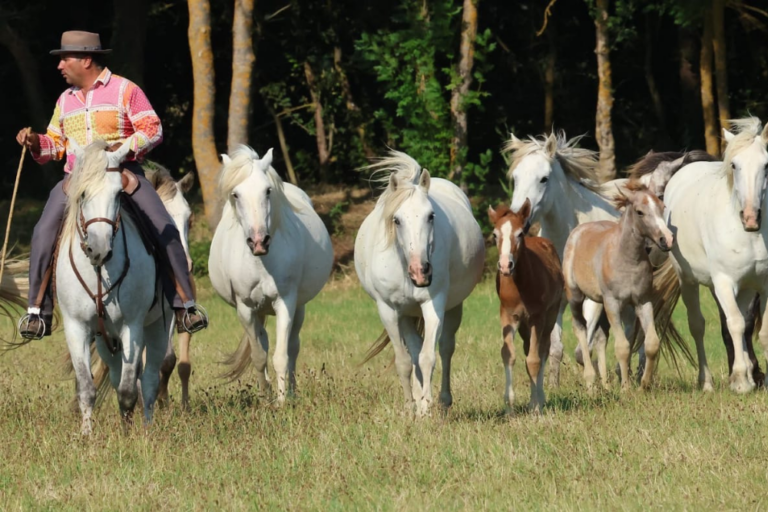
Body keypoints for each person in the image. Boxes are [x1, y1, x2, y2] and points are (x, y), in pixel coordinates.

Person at [16, 30, 208, 339]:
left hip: (123, 173)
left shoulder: (125, 90)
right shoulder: (64, 101)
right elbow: (55, 145)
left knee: (164, 226)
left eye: (65, 59)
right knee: (42, 231)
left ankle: (185, 305)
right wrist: (35, 142)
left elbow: (152, 128)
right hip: (76, 179)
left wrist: (122, 149)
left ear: (86, 59)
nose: (60, 66)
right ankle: (37, 312)